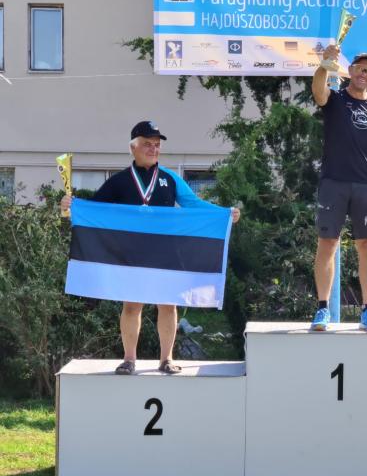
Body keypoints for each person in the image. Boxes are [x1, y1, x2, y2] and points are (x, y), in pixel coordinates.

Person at [60, 121, 240, 375]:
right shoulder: (119, 181)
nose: (153, 149)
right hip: (130, 254)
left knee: (168, 304)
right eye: (147, 144)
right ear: (133, 147)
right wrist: (71, 205)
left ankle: (166, 358)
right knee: (132, 305)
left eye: (157, 145)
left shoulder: (170, 179)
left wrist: (223, 214)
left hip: (165, 252)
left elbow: (193, 203)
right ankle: (129, 359)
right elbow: (93, 209)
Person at [309, 48, 367, 332]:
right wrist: (323, 65)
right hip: (333, 183)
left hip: (366, 187)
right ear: (350, 71)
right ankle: (322, 309)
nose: (364, 73)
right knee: (327, 244)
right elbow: (318, 92)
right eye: (359, 68)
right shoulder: (336, 99)